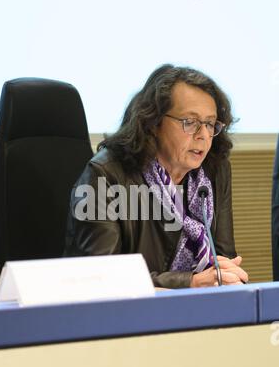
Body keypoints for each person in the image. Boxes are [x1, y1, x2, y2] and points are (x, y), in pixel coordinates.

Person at [64, 64, 248, 288]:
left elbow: (223, 256)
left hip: (198, 312)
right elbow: (100, 280)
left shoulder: (214, 171)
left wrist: (227, 276)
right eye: (189, 122)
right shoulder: (104, 175)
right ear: (153, 123)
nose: (203, 136)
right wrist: (189, 283)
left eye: (210, 124)